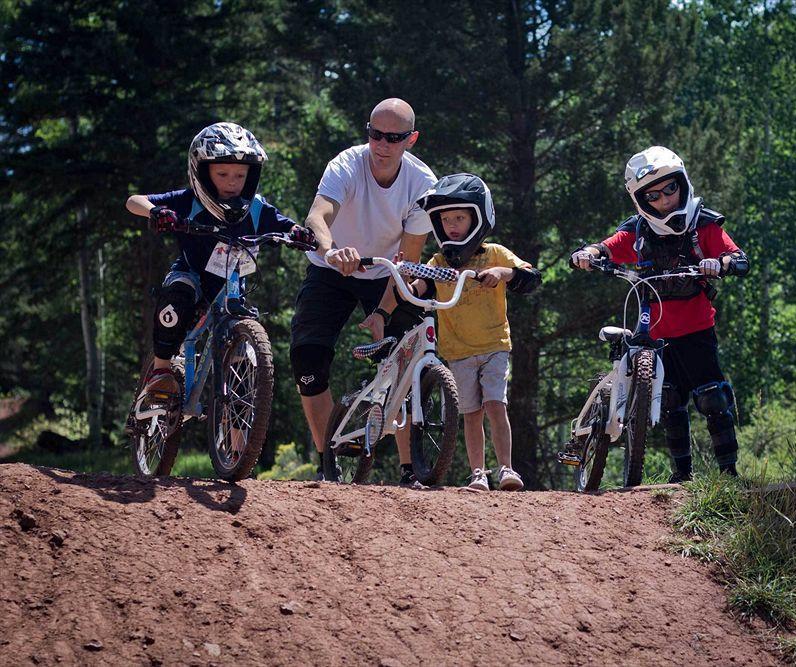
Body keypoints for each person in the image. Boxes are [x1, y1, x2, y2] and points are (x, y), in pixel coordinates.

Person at [570, 146, 749, 482]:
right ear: (642, 200)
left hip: (697, 329)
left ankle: (729, 474)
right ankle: (681, 474)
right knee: (668, 402)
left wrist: (721, 263)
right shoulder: (638, 231)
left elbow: (737, 256)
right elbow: (608, 245)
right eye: (653, 195)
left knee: (712, 398)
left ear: (682, 183)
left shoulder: (704, 225)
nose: (665, 199)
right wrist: (588, 253)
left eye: (670, 188)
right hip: (656, 330)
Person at [290, 98, 436, 487]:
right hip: (332, 268)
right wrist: (330, 250)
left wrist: (384, 312)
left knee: (407, 358)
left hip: (386, 272)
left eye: (393, 137)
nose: (382, 145)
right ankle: (328, 463)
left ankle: (409, 470)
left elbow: (408, 257)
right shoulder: (346, 164)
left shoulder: (423, 183)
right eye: (375, 134)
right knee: (307, 357)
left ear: (412, 139)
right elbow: (316, 217)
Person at [126, 122, 313, 397]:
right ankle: (161, 371)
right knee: (176, 300)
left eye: (240, 175)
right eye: (222, 173)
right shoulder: (188, 200)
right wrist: (155, 212)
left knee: (244, 372)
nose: (232, 182)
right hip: (191, 276)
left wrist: (298, 234)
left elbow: (287, 226)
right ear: (202, 172)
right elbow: (134, 200)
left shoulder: (257, 208)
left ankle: (241, 435)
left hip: (231, 290)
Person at [407, 173, 541, 491]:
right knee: (471, 413)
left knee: (496, 405)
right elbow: (418, 287)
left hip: (494, 344)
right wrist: (406, 274)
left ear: (477, 218)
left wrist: (502, 273)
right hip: (458, 350)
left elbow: (531, 276)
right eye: (445, 218)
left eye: (460, 217)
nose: (452, 224)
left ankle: (507, 468)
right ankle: (478, 473)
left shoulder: (494, 253)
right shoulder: (438, 261)